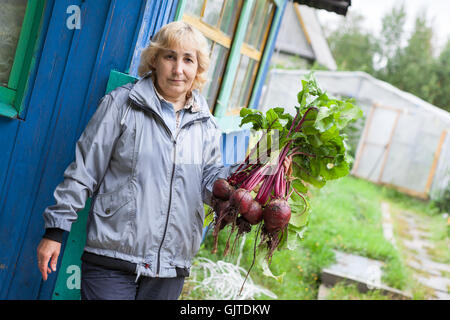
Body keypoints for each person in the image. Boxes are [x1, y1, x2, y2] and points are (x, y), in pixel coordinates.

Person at [36, 21, 292, 300]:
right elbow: (84, 171)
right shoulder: (122, 105)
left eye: (188, 60)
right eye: (170, 56)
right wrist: (55, 230)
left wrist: (263, 162)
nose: (178, 68)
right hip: (112, 258)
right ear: (155, 59)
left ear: (198, 69)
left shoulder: (204, 124)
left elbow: (209, 185)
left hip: (171, 265)